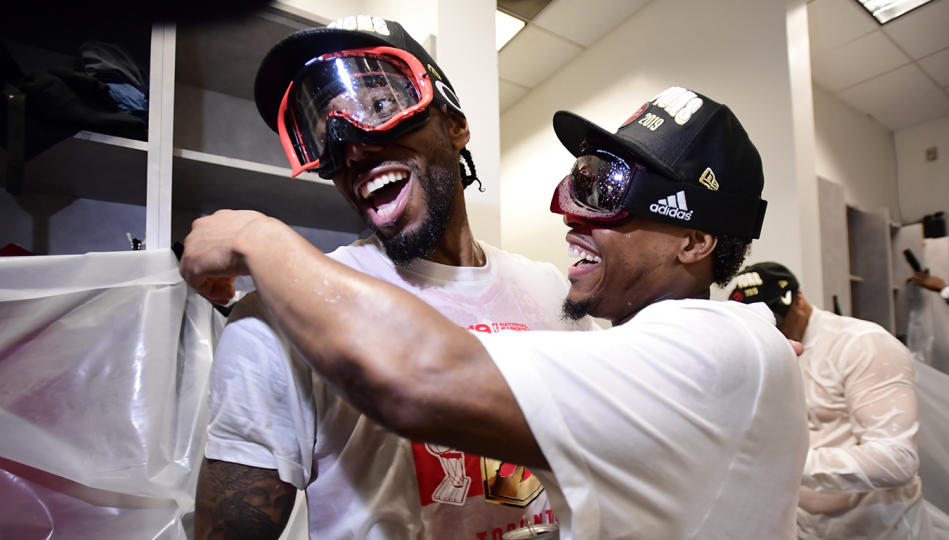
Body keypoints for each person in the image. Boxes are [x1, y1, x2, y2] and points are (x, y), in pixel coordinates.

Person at [181, 85, 810, 539]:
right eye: (579, 179)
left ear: (695, 241)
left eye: (604, 192)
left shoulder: (712, 354)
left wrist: (259, 238)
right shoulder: (685, 350)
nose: (568, 213)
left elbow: (420, 376)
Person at [194, 15, 594, 540]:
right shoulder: (278, 319)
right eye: (325, 136)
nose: (352, 149)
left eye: (381, 107)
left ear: (454, 124)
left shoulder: (555, 294)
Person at [729, 261, 932, 539]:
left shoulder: (862, 345)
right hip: (803, 526)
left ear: (798, 300)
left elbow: (896, 460)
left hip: (879, 528)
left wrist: (786, 464)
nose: (773, 330)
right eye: (761, 323)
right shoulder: (759, 351)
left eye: (778, 317)